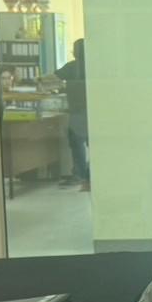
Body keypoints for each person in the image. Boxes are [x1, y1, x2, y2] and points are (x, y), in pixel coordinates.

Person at [56, 39, 88, 191]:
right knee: (91, 144)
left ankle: (80, 174)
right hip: (92, 110)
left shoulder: (71, 67)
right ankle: (89, 175)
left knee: (76, 143)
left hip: (78, 111)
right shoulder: (95, 65)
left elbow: (54, 78)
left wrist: (38, 80)